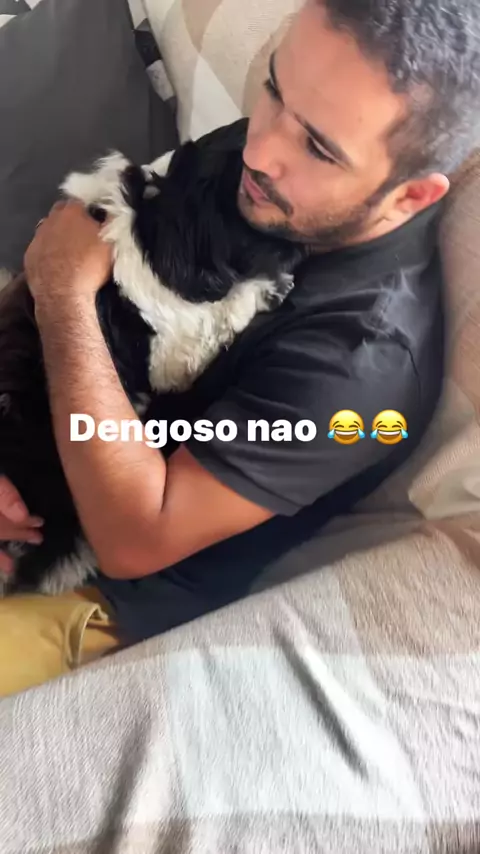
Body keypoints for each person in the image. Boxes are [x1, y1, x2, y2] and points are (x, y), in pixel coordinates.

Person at [0, 0, 479, 696]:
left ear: (409, 196)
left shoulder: (362, 366)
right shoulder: (265, 172)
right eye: (276, 88)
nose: (260, 149)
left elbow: (134, 538)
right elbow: (105, 241)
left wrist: (62, 294)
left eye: (319, 148)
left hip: (99, 582)